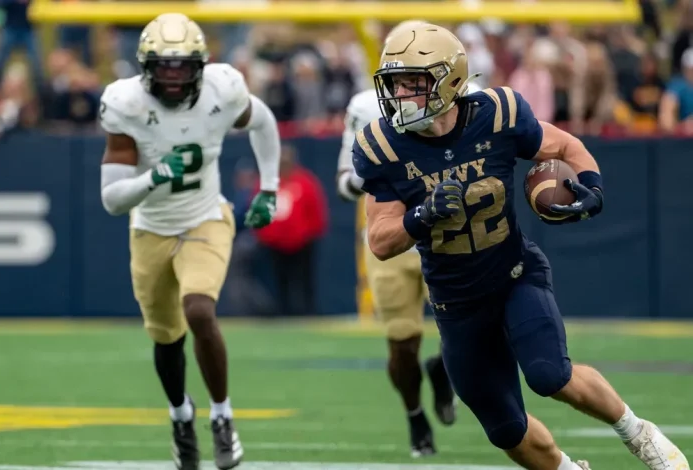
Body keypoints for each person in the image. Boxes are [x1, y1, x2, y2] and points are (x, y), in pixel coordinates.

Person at [352, 21, 689, 470]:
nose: (401, 95)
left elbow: (565, 145)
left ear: (449, 80)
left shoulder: (498, 112)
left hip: (513, 274)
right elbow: (380, 241)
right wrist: (423, 214)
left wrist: (591, 184)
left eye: (415, 83)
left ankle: (637, 432)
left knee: (550, 374)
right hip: (456, 302)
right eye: (395, 84)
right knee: (506, 429)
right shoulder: (383, 146)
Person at [98, 13, 281, 470]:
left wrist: (270, 186)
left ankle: (222, 416)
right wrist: (154, 177)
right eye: (164, 66)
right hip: (151, 227)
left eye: (183, 66)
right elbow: (112, 199)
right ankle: (181, 415)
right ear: (146, 67)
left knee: (199, 309)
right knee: (166, 340)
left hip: (205, 217)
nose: (174, 77)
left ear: (201, 65)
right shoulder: (127, 104)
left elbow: (263, 121)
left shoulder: (224, 89)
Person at [335, 19, 482, 458]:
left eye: (415, 72)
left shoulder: (469, 101)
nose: (402, 86)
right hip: (393, 234)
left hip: (449, 232)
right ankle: (415, 413)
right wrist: (381, 181)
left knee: (469, 330)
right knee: (402, 341)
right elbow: (345, 178)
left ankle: (443, 370)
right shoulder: (365, 107)